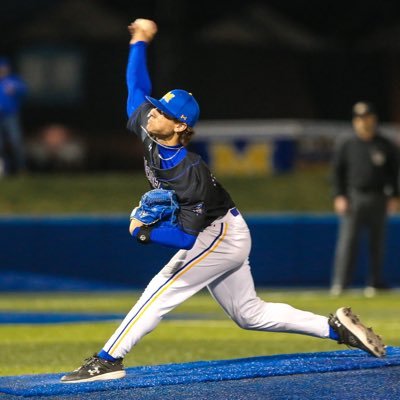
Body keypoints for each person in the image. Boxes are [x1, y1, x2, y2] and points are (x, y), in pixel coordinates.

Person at [61, 19, 386, 383]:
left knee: (163, 287)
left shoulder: (189, 172)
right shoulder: (149, 127)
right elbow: (136, 86)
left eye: (163, 113)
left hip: (219, 233)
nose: (153, 112)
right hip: (218, 230)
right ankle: (335, 328)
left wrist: (142, 233)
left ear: (181, 127)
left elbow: (186, 238)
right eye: (155, 108)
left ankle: (108, 360)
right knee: (249, 314)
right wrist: (139, 41)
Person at [331, 101, 400, 297]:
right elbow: (337, 172)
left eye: (366, 117)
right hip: (355, 196)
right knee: (348, 242)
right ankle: (340, 283)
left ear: (374, 119)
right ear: (355, 121)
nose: (363, 122)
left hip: (379, 196)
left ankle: (375, 282)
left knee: (377, 243)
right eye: (359, 118)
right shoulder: (347, 143)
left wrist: (394, 195)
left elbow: (394, 172)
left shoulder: (384, 144)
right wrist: (339, 195)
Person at [0, 57, 27, 175]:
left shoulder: (13, 81)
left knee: (16, 142)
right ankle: (4, 169)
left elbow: (24, 91)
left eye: (3, 69)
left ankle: (21, 168)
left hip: (10, 116)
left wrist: (15, 89)